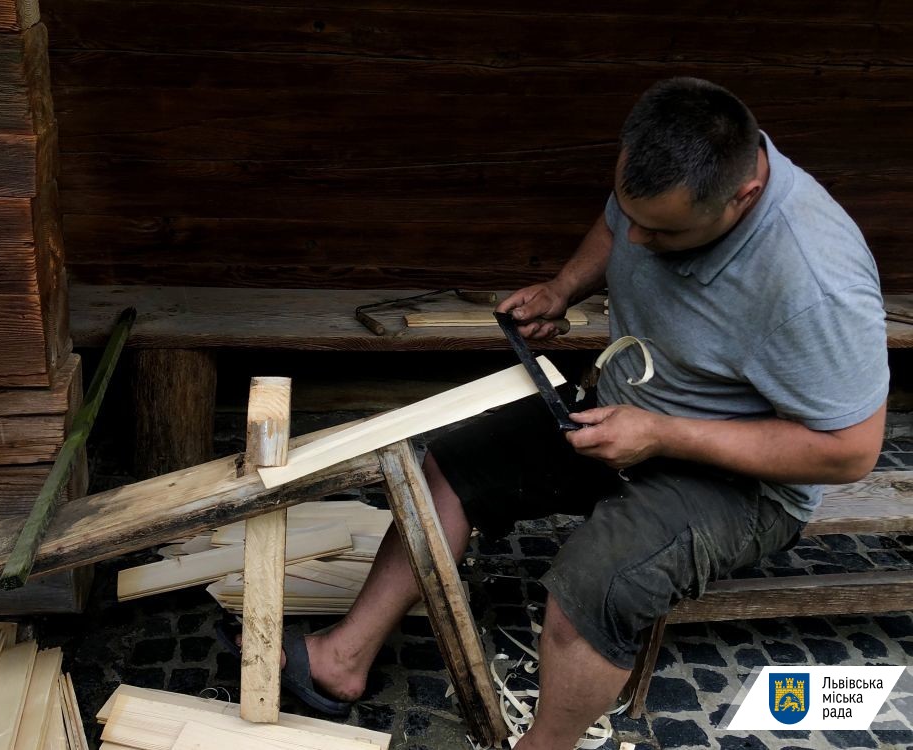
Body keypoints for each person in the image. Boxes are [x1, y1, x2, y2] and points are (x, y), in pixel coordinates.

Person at [224, 78, 890, 749]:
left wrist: (662, 434)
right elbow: (614, 225)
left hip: (740, 481)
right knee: (449, 469)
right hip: (622, 413)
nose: (634, 234)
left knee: (590, 589)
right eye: (629, 209)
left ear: (741, 197)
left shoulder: (816, 281)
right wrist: (563, 288)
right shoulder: (664, 180)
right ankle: (342, 661)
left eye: (659, 230)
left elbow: (849, 451)